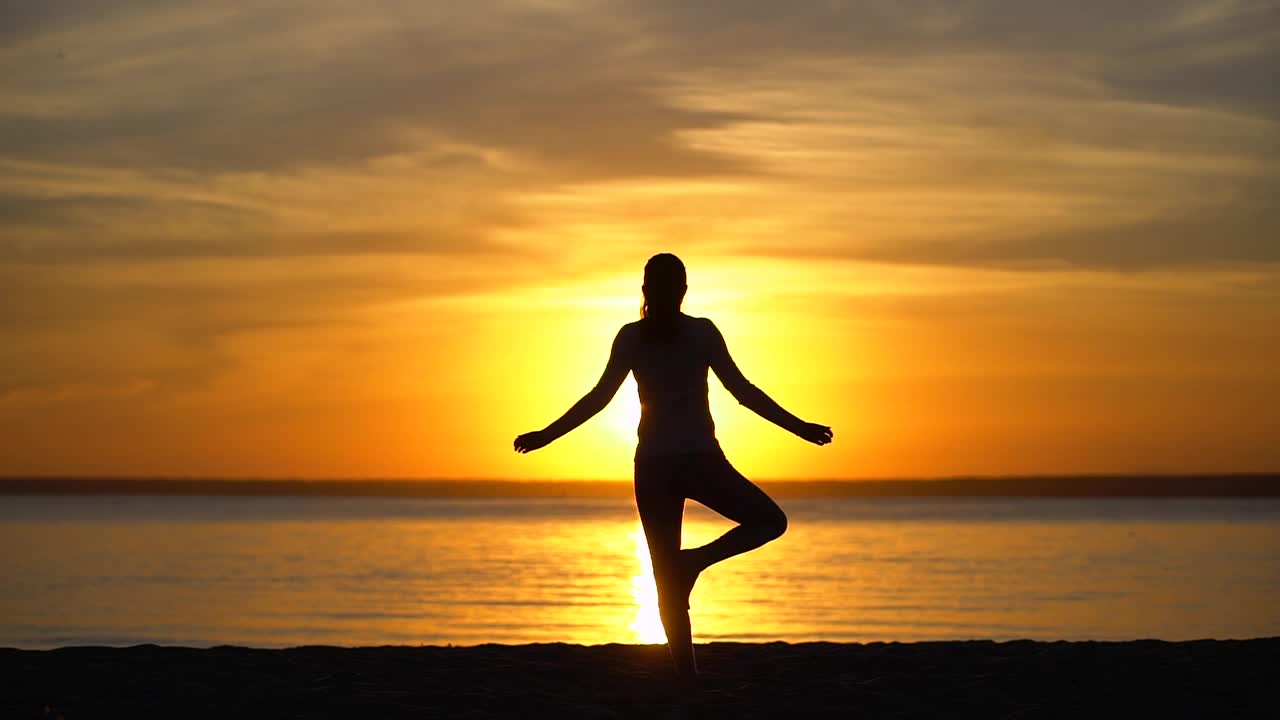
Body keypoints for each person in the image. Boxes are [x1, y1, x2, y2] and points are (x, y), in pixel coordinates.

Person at [513, 253, 832, 684]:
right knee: (744, 534)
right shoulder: (643, 337)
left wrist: (799, 426)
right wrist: (547, 435)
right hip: (681, 464)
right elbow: (603, 397)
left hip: (676, 466)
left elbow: (739, 390)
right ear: (673, 290)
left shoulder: (693, 334)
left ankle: (691, 589)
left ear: (657, 290)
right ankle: (688, 667)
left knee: (749, 531)